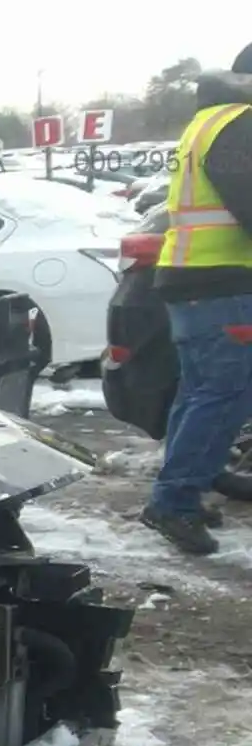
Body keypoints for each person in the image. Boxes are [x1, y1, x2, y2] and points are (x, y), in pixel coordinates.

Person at [141, 42, 252, 555]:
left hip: (193, 278)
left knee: (201, 393)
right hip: (221, 284)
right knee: (223, 394)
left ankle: (182, 490)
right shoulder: (241, 123)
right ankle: (173, 502)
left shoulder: (208, 121)